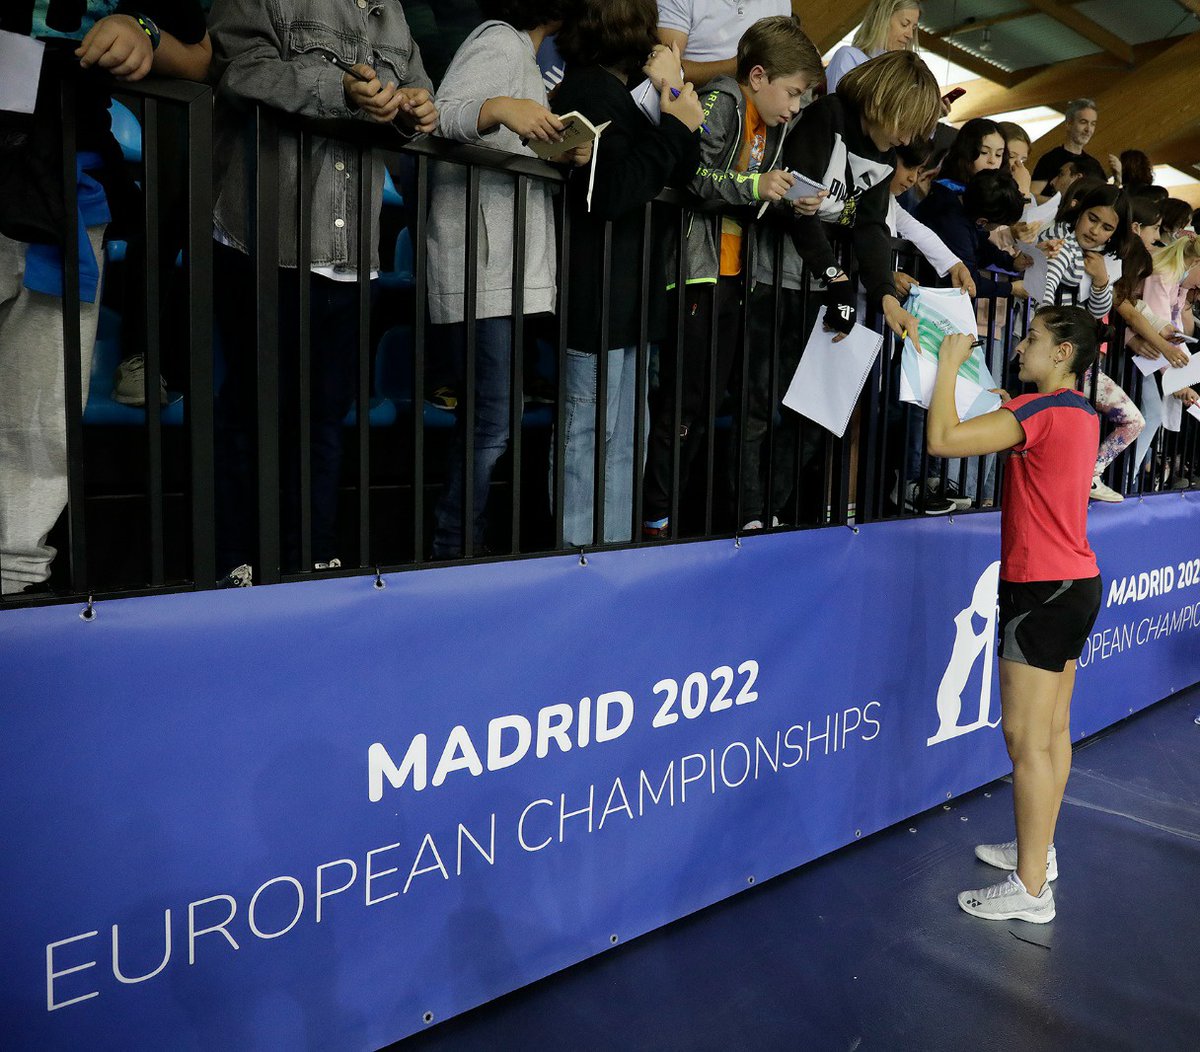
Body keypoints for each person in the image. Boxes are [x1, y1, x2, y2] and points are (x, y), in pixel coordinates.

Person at [208, 0, 437, 584]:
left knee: (325, 421)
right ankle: (238, 563)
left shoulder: (394, 14)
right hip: (266, 241)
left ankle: (311, 559)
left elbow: (418, 99)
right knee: (252, 413)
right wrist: (340, 90)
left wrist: (416, 109)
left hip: (353, 255)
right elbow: (238, 69)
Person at [0, 1, 211, 596]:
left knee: (40, 417)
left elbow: (200, 57)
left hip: (64, 181)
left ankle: (11, 586)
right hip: (51, 177)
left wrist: (141, 30)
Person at [927, 305, 1104, 924]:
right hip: (1075, 585)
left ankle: (1030, 891)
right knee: (1052, 735)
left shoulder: (1036, 411)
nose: (1021, 347)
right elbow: (1038, 445)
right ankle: (1039, 854)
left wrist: (947, 366)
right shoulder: (1081, 411)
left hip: (1040, 591)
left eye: (1032, 338)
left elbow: (941, 440)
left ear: (1063, 353)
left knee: (1026, 742)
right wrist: (1012, 412)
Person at [641, 14, 823, 539]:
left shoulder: (772, 125)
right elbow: (693, 177)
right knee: (684, 404)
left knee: (704, 406)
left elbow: (747, 189)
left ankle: (673, 515)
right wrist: (756, 186)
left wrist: (787, 198)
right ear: (759, 76)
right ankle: (655, 516)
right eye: (792, 93)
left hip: (734, 276)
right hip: (695, 273)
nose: (796, 107)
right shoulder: (721, 101)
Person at [427, 0, 590, 559]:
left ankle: (460, 546)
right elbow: (440, 114)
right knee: (490, 421)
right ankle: (454, 550)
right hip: (483, 268)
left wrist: (558, 150)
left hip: (503, 270)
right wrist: (501, 107)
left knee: (495, 419)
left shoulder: (521, 51)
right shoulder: (498, 40)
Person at [551, 0, 704, 548]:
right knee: (590, 436)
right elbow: (612, 191)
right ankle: (577, 560)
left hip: (629, 297)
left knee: (624, 441)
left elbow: (684, 168)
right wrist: (674, 123)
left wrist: (672, 94)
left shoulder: (626, 92)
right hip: (597, 295)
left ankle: (611, 555)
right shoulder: (588, 89)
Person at [781, 50, 942, 345]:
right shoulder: (828, 115)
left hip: (819, 283)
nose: (906, 140)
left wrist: (886, 297)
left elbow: (871, 226)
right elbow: (799, 203)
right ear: (882, 102)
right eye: (904, 126)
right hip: (777, 276)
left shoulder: (887, 156)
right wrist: (835, 277)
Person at [655, 0, 793, 89]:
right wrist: (740, 66)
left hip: (753, 111)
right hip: (691, 107)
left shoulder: (780, 2)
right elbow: (662, 68)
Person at [825, 0, 920, 93]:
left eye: (913, 28)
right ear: (883, 19)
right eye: (904, 24)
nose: (910, 35)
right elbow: (833, 101)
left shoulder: (904, 73)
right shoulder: (849, 57)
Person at [1029, 99, 1104, 198]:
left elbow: (1104, 198)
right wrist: (1064, 204)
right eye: (1083, 122)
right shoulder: (1050, 159)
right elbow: (1032, 197)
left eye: (1093, 124)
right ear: (1069, 124)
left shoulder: (1095, 165)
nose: (1088, 129)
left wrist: (1117, 180)